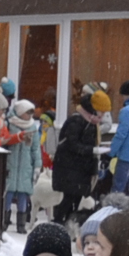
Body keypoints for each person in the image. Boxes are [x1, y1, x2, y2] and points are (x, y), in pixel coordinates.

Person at [54, 91, 102, 220]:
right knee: (69, 198)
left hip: (80, 168)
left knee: (76, 199)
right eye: (101, 111)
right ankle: (58, 223)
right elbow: (72, 144)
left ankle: (67, 225)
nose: (103, 115)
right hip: (70, 167)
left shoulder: (91, 122)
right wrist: (92, 150)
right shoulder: (77, 120)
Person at [0, 98, 43, 234]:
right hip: (11, 164)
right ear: (20, 112)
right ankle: (4, 221)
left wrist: (36, 166)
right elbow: (5, 141)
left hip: (25, 166)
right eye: (27, 113)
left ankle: (21, 224)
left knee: (24, 195)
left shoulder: (32, 127)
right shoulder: (9, 124)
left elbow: (35, 148)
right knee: (8, 193)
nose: (30, 116)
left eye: (31, 113)